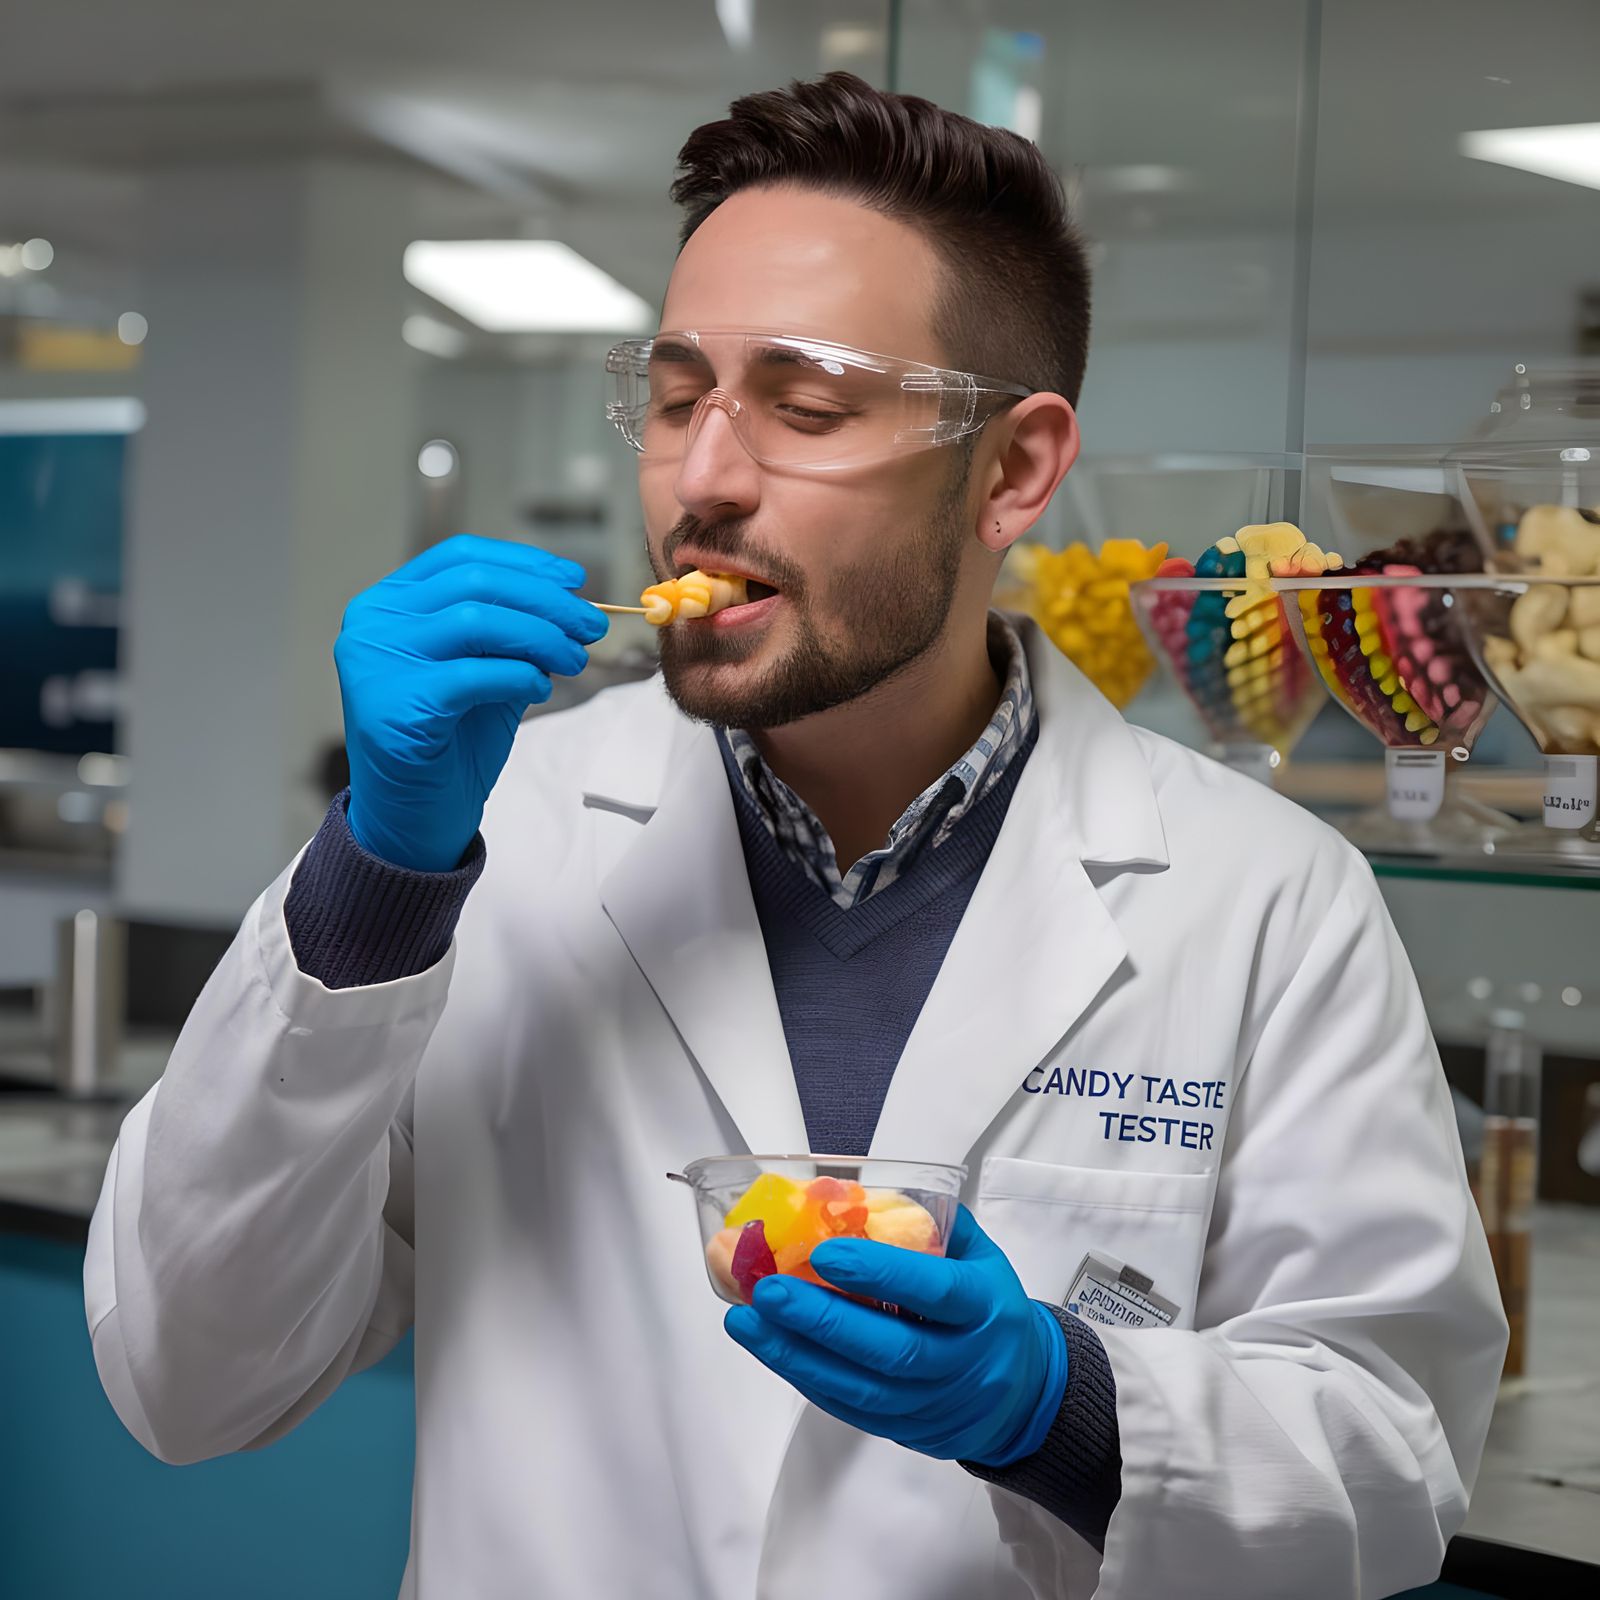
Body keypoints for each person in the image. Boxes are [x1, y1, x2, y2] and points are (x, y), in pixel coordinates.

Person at [84, 73, 1506, 1599]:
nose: (703, 478)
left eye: (809, 405)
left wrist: (1062, 1408)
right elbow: (190, 1377)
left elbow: (1392, 1452)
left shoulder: (1267, 902)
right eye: (681, 395)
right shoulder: (500, 845)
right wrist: (374, 876)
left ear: (1013, 471)